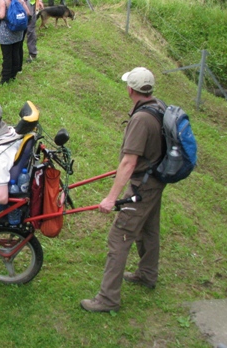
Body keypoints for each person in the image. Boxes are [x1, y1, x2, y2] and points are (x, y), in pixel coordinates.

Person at [80, 67, 166, 313]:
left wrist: (111, 198)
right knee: (148, 228)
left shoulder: (141, 119)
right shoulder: (158, 106)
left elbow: (128, 162)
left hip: (143, 184)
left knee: (119, 237)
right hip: (155, 179)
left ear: (130, 89)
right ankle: (147, 274)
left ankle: (108, 299)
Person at [0, 0, 29, 85]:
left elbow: (2, 15)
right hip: (18, 32)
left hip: (6, 32)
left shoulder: (3, 0)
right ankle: (13, 75)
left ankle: (5, 78)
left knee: (7, 56)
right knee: (16, 53)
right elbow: (27, 12)